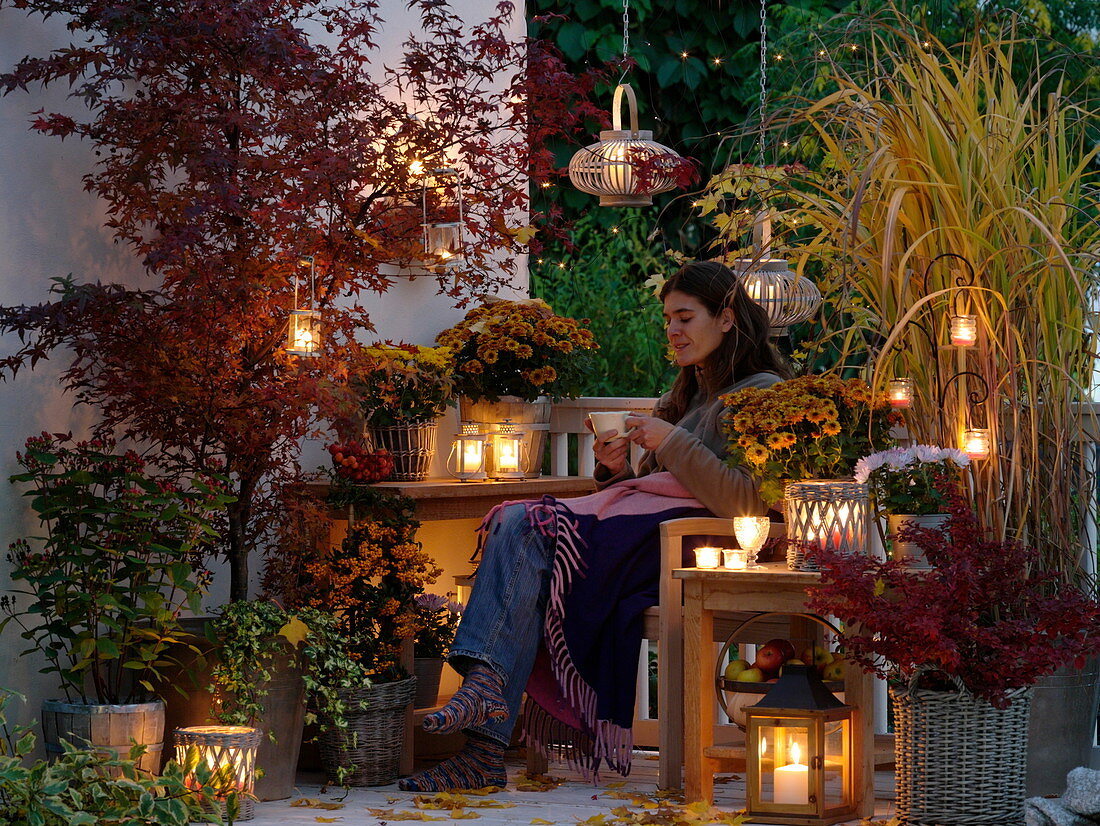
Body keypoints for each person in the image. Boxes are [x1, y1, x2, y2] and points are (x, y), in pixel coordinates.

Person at [398, 260, 791, 792]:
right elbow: (643, 494)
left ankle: (483, 704)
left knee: (526, 523)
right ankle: (485, 740)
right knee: (523, 541)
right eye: (667, 320)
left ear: (726, 318)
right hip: (648, 541)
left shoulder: (762, 392)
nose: (673, 331)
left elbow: (748, 500)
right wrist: (617, 470)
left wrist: (669, 441)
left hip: (700, 549)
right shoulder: (686, 396)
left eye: (684, 317)